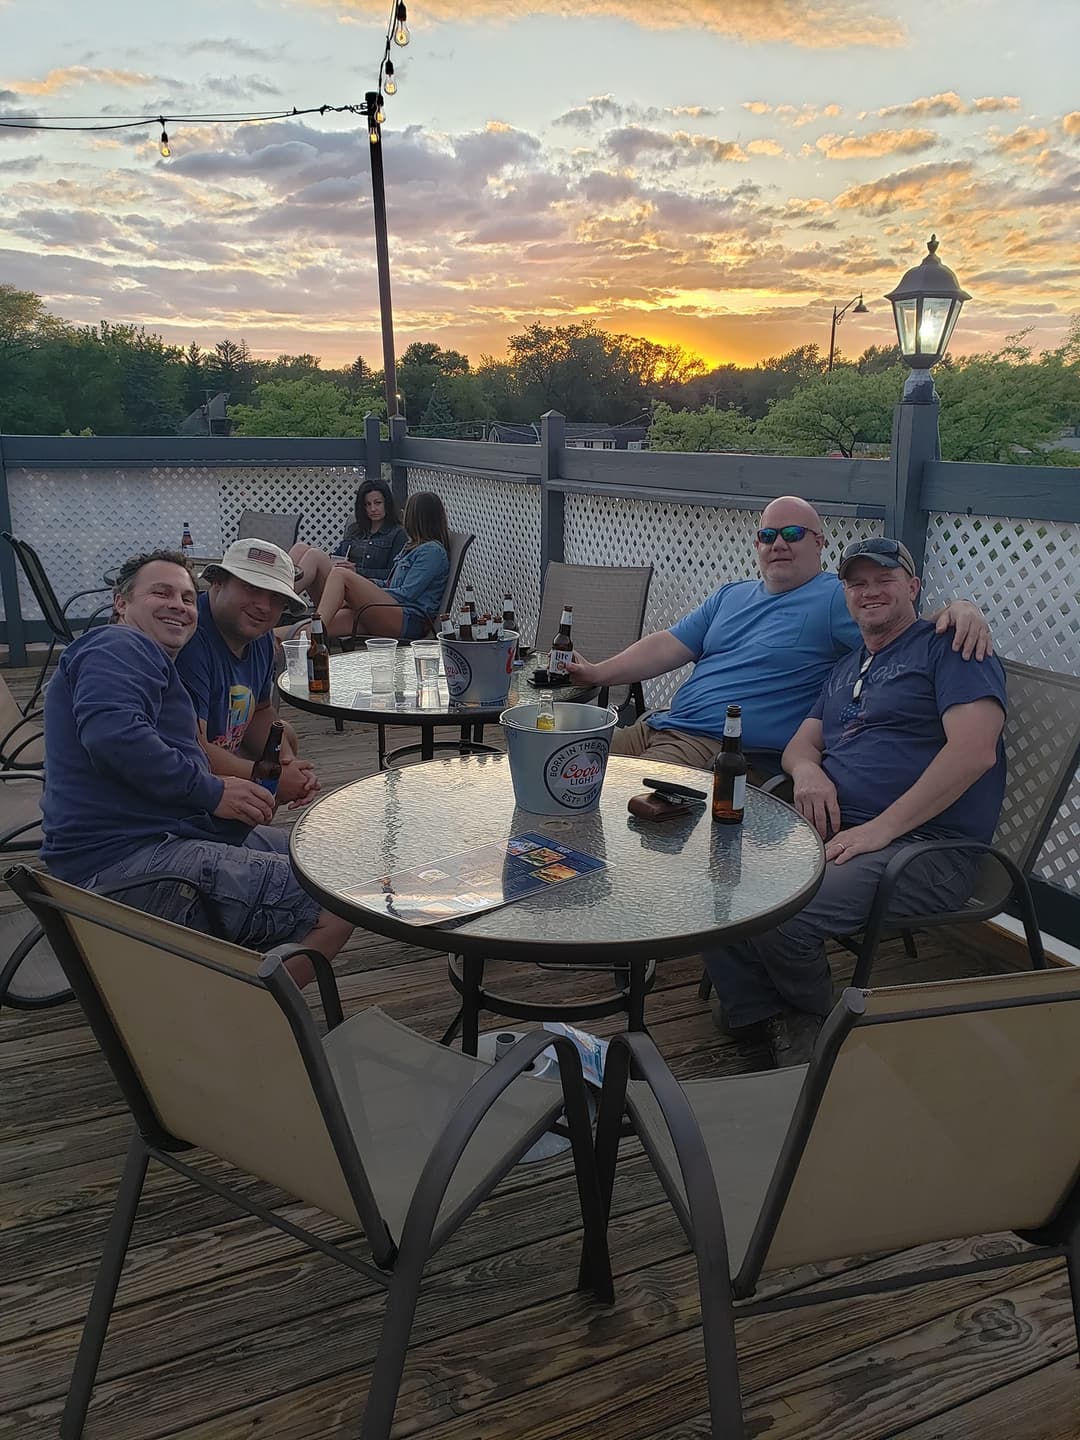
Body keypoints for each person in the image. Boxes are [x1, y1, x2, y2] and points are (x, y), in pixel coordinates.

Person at [703, 536, 1008, 1069]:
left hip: (924, 849)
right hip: (837, 830)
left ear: (913, 587)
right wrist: (808, 773)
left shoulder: (951, 648)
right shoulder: (847, 667)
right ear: (844, 594)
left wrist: (881, 830)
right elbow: (802, 743)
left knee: (782, 911)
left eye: (884, 579)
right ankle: (764, 1013)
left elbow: (974, 753)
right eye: (857, 583)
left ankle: (815, 1026)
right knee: (713, 872)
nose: (870, 592)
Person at [40, 549, 353, 981]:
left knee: (325, 861)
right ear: (121, 602)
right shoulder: (118, 645)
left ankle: (221, 984)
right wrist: (215, 791)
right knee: (335, 899)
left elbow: (252, 720)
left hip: (165, 835)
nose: (179, 606)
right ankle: (244, 1026)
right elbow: (113, 738)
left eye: (187, 598)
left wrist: (274, 764)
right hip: (121, 867)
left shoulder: (149, 659)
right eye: (161, 593)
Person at [566, 496, 992, 775]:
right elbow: (667, 646)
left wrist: (958, 609)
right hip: (658, 726)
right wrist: (597, 673)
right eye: (768, 535)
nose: (779, 544)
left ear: (819, 543)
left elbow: (896, 628)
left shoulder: (833, 598)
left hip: (723, 753)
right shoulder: (730, 595)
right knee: (554, 763)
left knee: (607, 798)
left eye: (792, 534)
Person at [174, 538, 320, 809]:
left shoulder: (261, 637)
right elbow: (191, 748)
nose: (264, 606)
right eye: (252, 588)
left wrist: (287, 766)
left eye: (277, 598)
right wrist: (270, 775)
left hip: (223, 748)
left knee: (285, 735)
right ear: (218, 582)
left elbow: (261, 711)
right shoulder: (189, 639)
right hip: (182, 781)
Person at [313, 490, 450, 640]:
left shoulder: (432, 552)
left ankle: (317, 637)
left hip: (407, 620)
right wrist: (368, 586)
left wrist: (363, 595)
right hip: (388, 612)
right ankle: (296, 643)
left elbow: (406, 595)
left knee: (340, 574)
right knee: (306, 628)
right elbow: (391, 584)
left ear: (414, 518)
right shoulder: (411, 547)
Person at [290, 478, 407, 604]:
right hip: (337, 586)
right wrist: (336, 563)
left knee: (314, 555)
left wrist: (356, 571)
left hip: (366, 592)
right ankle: (280, 594)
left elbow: (394, 575)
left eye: (377, 503)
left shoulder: (397, 533)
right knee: (300, 547)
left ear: (387, 504)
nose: (373, 509)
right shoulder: (355, 529)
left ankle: (283, 598)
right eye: (368, 504)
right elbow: (338, 556)